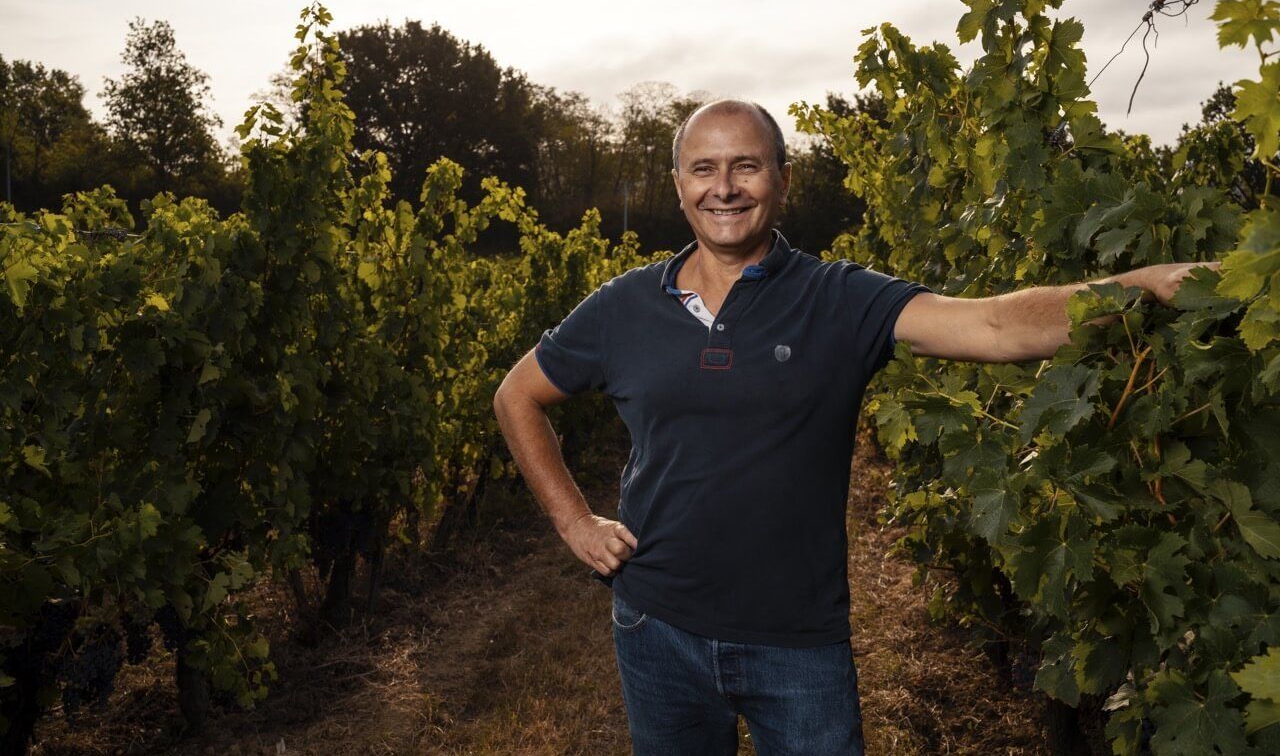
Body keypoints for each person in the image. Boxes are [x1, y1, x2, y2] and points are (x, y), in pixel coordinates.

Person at [491, 99, 1213, 755]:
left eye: (746, 165)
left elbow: (995, 324)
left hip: (797, 644)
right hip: (656, 626)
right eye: (703, 168)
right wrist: (574, 522)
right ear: (679, 183)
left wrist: (1138, 285)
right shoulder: (623, 308)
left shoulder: (839, 298)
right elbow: (516, 396)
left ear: (782, 177)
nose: (725, 187)